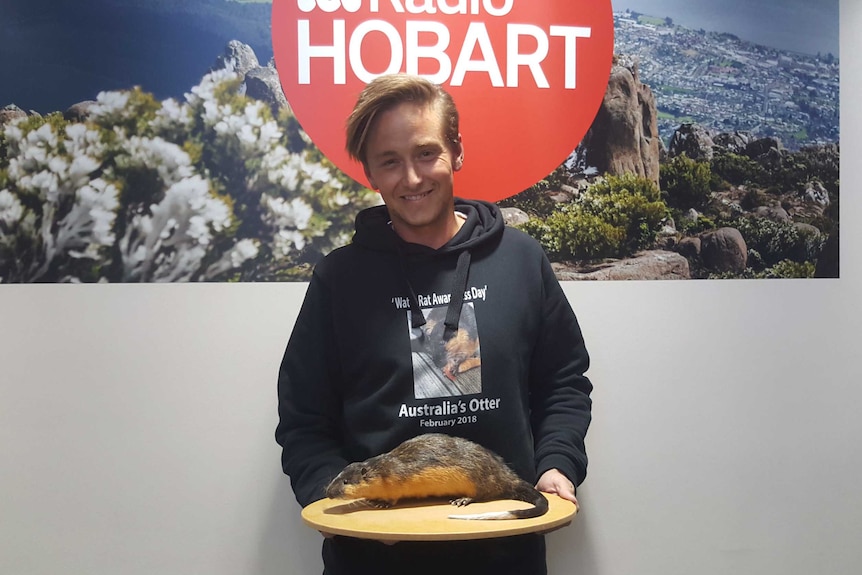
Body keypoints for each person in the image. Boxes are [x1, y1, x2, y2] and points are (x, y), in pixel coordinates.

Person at [275, 74, 592, 575]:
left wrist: (557, 464)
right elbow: (304, 419)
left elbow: (563, 382)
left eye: (426, 153)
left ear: (456, 152)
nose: (412, 178)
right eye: (389, 162)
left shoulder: (520, 261)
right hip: (372, 560)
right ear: (370, 173)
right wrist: (331, 501)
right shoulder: (341, 277)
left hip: (505, 550)